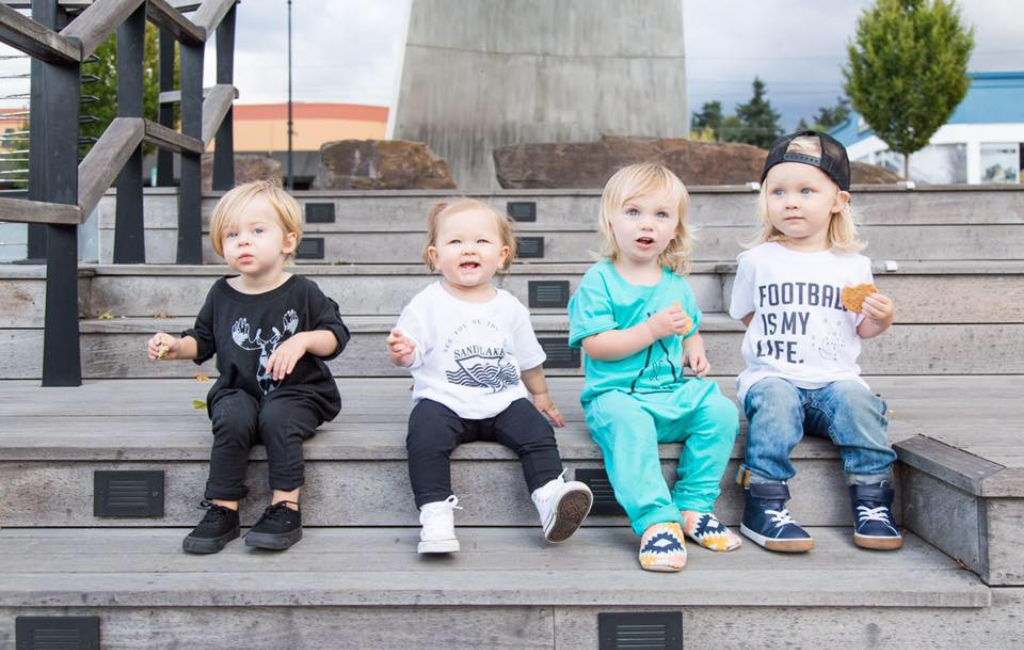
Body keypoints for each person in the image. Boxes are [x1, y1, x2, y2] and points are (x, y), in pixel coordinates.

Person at [148, 180, 349, 554]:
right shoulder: (222, 293)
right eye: (231, 234)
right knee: (232, 415)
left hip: (299, 393)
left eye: (257, 231)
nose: (243, 241)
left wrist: (302, 340)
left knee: (278, 416)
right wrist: (175, 346)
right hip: (240, 389)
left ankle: (284, 506)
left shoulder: (302, 290)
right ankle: (223, 509)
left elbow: (335, 335)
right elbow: (202, 340)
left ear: (287, 242)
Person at [386, 199, 593, 554]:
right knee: (424, 436)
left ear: (502, 255)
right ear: (435, 256)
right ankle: (435, 515)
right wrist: (404, 353)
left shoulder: (510, 306)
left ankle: (549, 497)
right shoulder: (426, 303)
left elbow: (528, 359)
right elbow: (411, 349)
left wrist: (540, 396)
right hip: (443, 401)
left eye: (481, 241)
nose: (469, 248)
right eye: (455, 242)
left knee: (536, 432)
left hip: (503, 401)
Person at [729, 130, 902, 552]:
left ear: (838, 201)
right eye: (778, 191)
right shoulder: (756, 261)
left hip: (833, 381)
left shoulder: (853, 265)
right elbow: (751, 315)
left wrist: (883, 319)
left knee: (858, 402)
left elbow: (860, 327)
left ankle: (872, 500)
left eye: (806, 190)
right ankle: (764, 502)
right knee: (774, 399)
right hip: (773, 377)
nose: (790, 201)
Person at [568, 163, 741, 572]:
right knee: (631, 425)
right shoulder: (600, 281)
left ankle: (692, 507)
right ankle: (655, 521)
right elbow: (597, 346)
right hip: (615, 399)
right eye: (634, 212)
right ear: (610, 221)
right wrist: (650, 329)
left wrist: (693, 350)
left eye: (661, 215)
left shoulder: (676, 284)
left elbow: (690, 328)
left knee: (720, 411)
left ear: (676, 227)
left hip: (669, 394)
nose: (647, 224)